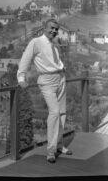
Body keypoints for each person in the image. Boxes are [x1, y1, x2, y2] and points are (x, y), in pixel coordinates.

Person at [17, 19, 72, 163]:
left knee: (62, 113)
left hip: (60, 78)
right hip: (47, 81)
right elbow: (25, 60)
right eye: (52, 28)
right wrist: (21, 78)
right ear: (44, 28)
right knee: (54, 112)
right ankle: (51, 150)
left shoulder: (54, 45)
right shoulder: (36, 42)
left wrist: (62, 67)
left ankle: (59, 144)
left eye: (56, 29)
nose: (54, 31)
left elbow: (54, 62)